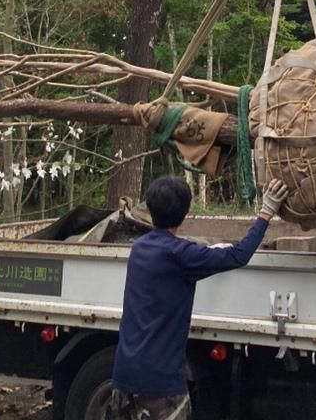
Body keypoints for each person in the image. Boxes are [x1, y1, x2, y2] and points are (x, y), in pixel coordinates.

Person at [110, 175, 289, 420]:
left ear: (150, 209)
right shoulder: (182, 255)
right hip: (160, 384)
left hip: (123, 377)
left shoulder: (140, 247)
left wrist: (205, 253)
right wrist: (266, 212)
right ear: (184, 213)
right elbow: (239, 256)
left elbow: (173, 255)